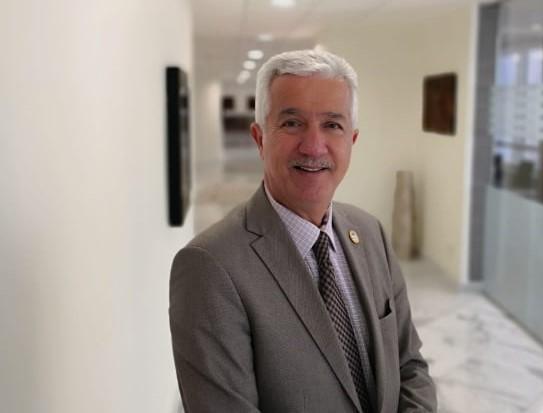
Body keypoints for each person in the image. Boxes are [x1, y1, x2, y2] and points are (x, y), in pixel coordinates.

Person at [169, 49, 437, 413]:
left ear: (352, 141)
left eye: (332, 125)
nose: (313, 146)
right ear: (260, 138)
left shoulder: (370, 233)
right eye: (292, 123)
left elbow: (410, 368)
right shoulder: (210, 267)